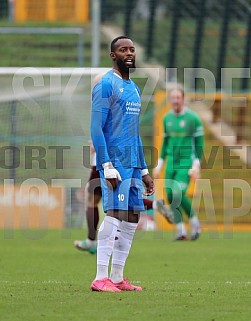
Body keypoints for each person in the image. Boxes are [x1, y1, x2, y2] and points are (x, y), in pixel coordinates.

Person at [89, 36, 154, 292]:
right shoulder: (106, 84)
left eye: (131, 49)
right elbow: (96, 128)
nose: (128, 53)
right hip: (115, 162)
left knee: (131, 218)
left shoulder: (134, 89)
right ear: (112, 55)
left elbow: (134, 132)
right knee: (114, 214)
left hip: (134, 164)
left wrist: (145, 169)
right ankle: (99, 277)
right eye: (122, 49)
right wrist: (106, 165)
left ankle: (117, 277)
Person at [74, 145, 173, 254]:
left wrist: (95, 145)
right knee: (125, 199)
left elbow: (99, 136)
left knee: (93, 201)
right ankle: (153, 204)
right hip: (124, 162)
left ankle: (91, 241)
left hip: (104, 163)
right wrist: (144, 172)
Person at [153, 87, 204, 241]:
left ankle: (195, 224)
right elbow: (165, 143)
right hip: (171, 164)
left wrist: (196, 165)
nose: (175, 101)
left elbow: (199, 144)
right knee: (169, 195)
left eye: (178, 98)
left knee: (178, 193)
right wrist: (159, 164)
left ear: (183, 99)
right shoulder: (166, 118)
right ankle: (181, 231)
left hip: (186, 163)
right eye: (173, 98)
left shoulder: (193, 118)